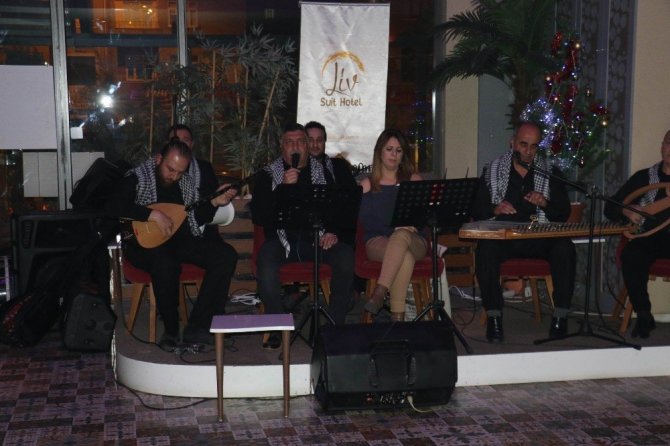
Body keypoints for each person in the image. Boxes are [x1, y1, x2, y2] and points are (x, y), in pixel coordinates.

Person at [107, 139, 238, 350]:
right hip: (142, 245)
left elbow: (194, 217)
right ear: (159, 159)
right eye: (170, 169)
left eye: (180, 172)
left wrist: (214, 202)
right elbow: (113, 206)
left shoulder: (185, 183)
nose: (174, 176)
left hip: (178, 240)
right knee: (166, 263)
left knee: (225, 255)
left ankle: (199, 326)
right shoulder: (137, 178)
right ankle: (171, 330)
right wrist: (152, 214)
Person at [250, 123, 355, 348]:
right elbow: (259, 216)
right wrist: (282, 189)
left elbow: (338, 209)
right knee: (265, 259)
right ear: (282, 147)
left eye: (300, 142)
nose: (295, 147)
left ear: (307, 146)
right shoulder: (268, 175)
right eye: (289, 143)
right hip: (282, 241)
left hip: (316, 239)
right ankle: (276, 324)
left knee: (345, 255)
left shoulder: (323, 172)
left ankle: (334, 326)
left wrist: (333, 231)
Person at [472, 121, 575, 342]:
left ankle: (560, 316)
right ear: (512, 142)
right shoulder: (492, 170)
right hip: (504, 237)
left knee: (564, 247)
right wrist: (495, 208)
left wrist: (545, 203)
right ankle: (494, 318)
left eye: (534, 146)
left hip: (538, 236)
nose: (528, 151)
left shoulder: (549, 172)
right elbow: (476, 210)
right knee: (485, 249)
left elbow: (562, 214)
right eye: (523, 144)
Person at [604, 129, 670, 338]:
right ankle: (643, 314)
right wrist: (626, 211)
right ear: (662, 146)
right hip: (647, 238)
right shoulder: (644, 177)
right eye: (668, 143)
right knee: (631, 255)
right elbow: (610, 207)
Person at [359, 128, 426, 322]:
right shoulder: (367, 184)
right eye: (389, 149)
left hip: (414, 240)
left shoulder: (414, 180)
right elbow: (367, 223)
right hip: (378, 241)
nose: (394, 155)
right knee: (403, 253)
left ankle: (380, 291)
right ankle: (398, 319)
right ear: (379, 151)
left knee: (402, 236)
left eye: (398, 150)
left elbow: (424, 220)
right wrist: (393, 229)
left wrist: (411, 227)